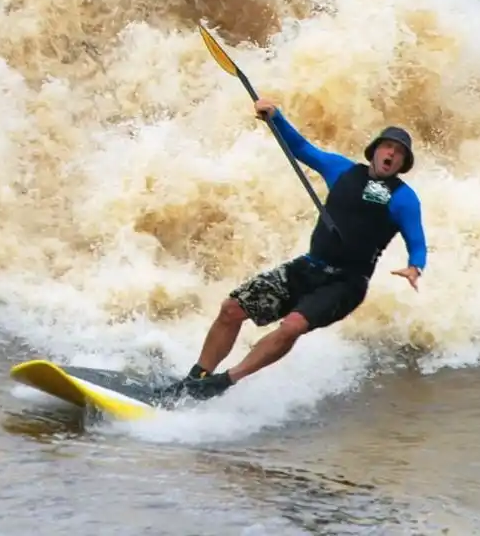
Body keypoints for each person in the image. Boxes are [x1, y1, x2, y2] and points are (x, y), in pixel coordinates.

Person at [165, 97, 428, 401]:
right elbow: (302, 148)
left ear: (402, 164)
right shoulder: (342, 170)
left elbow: (417, 242)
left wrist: (415, 266)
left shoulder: (405, 199)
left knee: (291, 327)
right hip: (309, 267)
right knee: (231, 309)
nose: (391, 154)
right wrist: (275, 118)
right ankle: (194, 380)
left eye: (399, 153)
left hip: (346, 284)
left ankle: (222, 383)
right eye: (388, 147)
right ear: (376, 150)